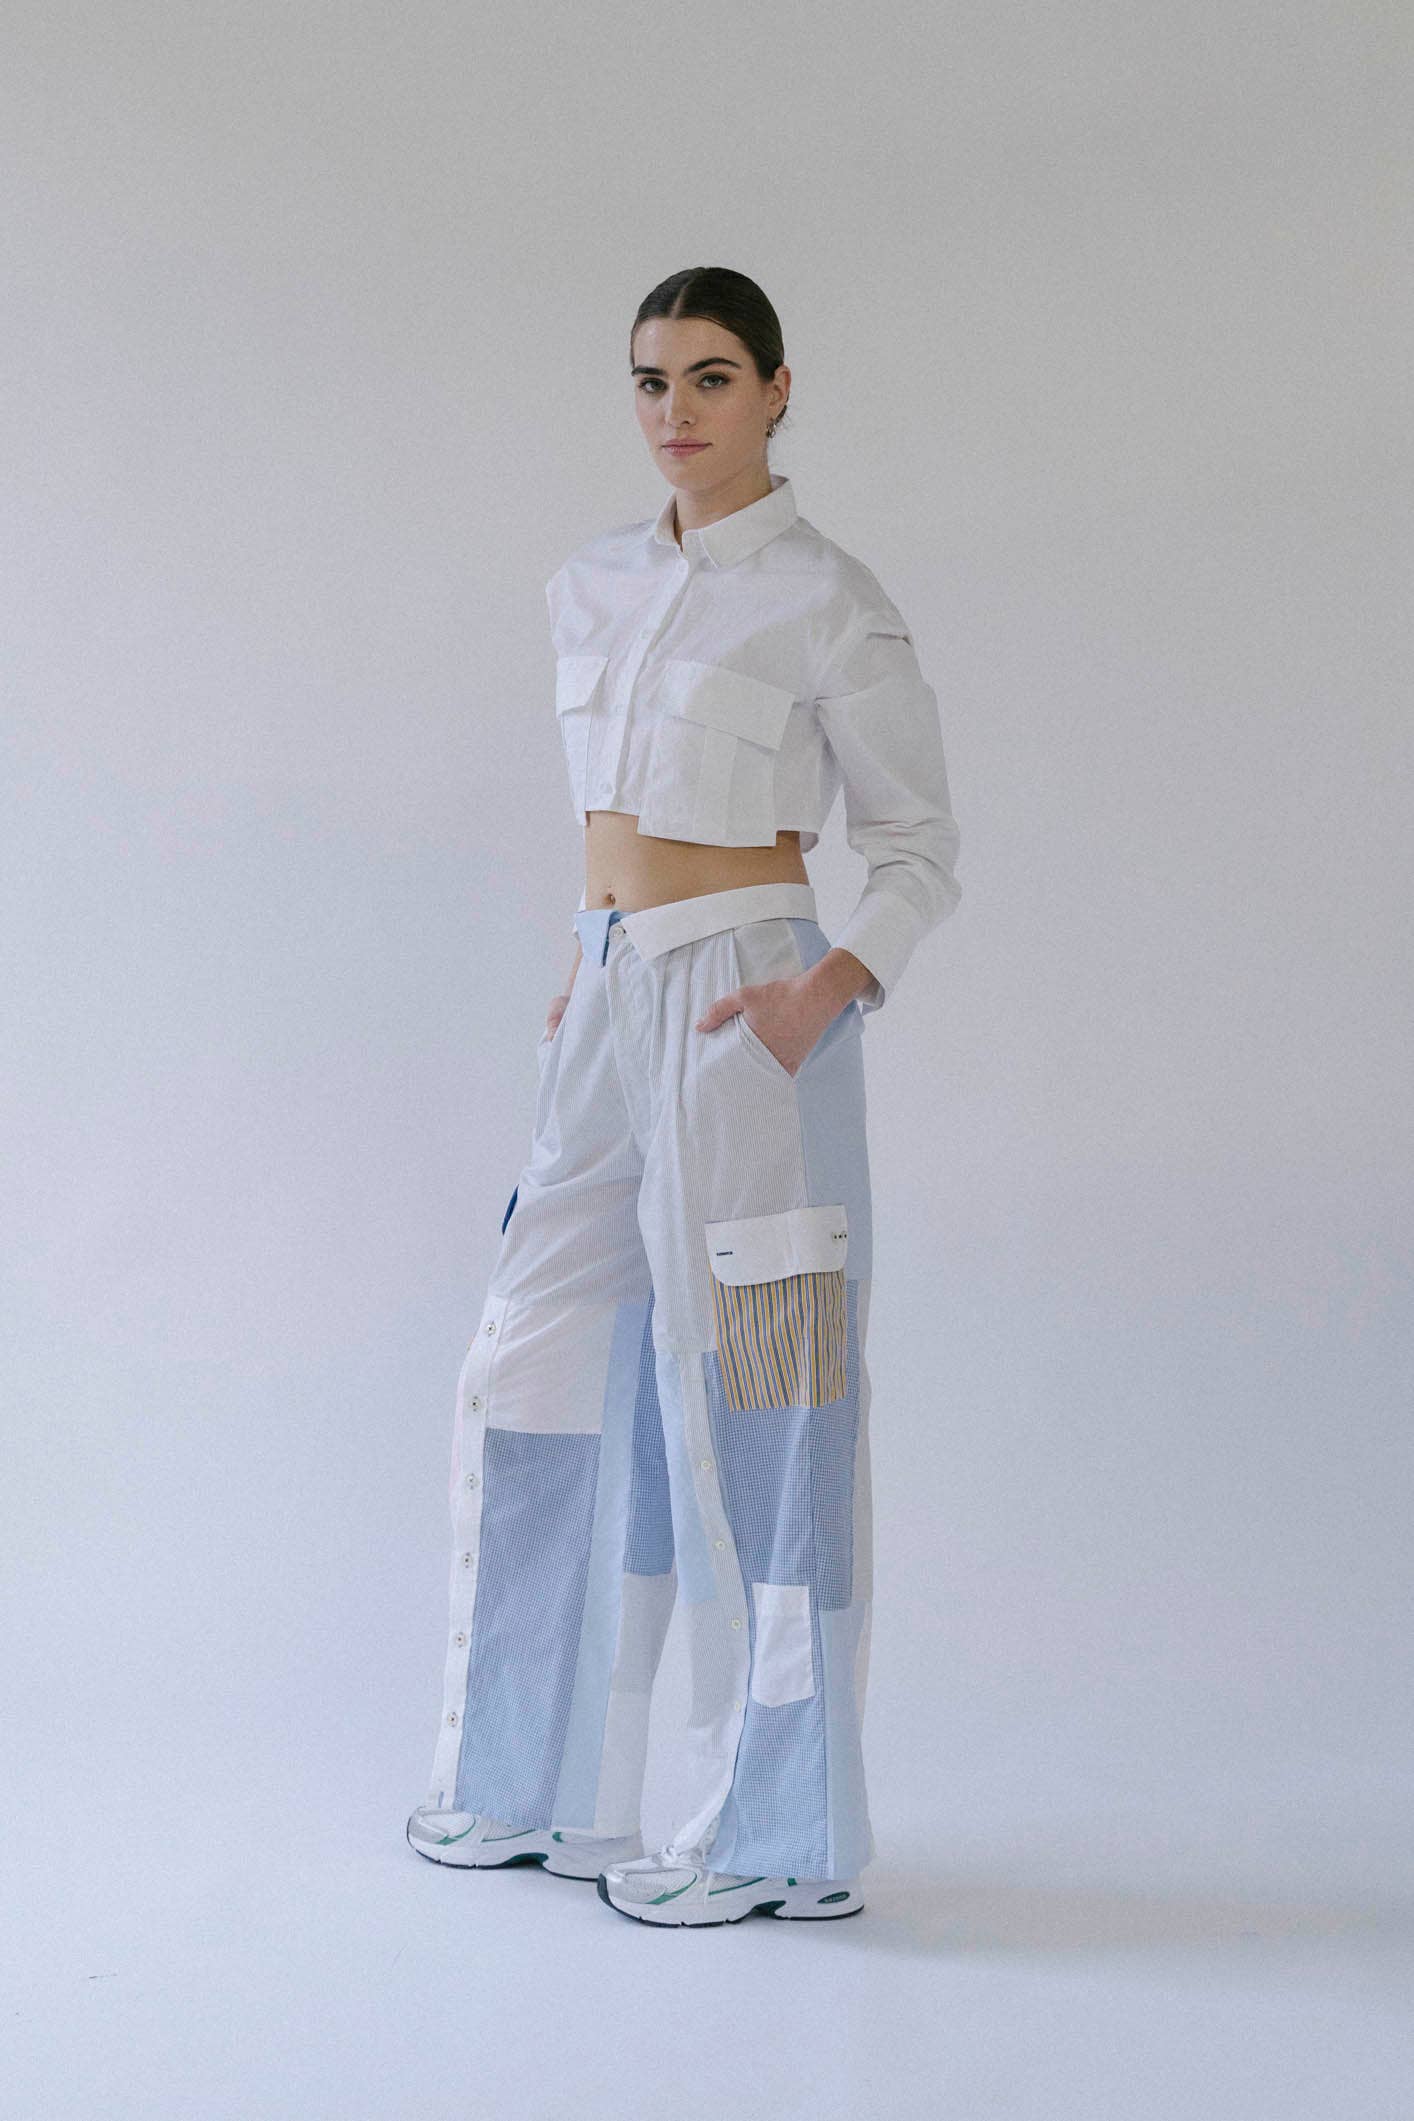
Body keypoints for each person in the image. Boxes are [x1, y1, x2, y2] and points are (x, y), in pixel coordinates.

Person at [406, 265, 962, 1928]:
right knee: (538, 1360)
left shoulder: (827, 601)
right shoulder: (586, 582)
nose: (676, 411)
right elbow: (602, 816)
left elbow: (918, 849)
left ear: (777, 391)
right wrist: (583, 964)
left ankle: (772, 1834)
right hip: (605, 993)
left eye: (712, 377)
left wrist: (818, 991)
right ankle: (542, 1783)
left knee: (760, 1393)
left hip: (745, 1010)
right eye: (651, 380)